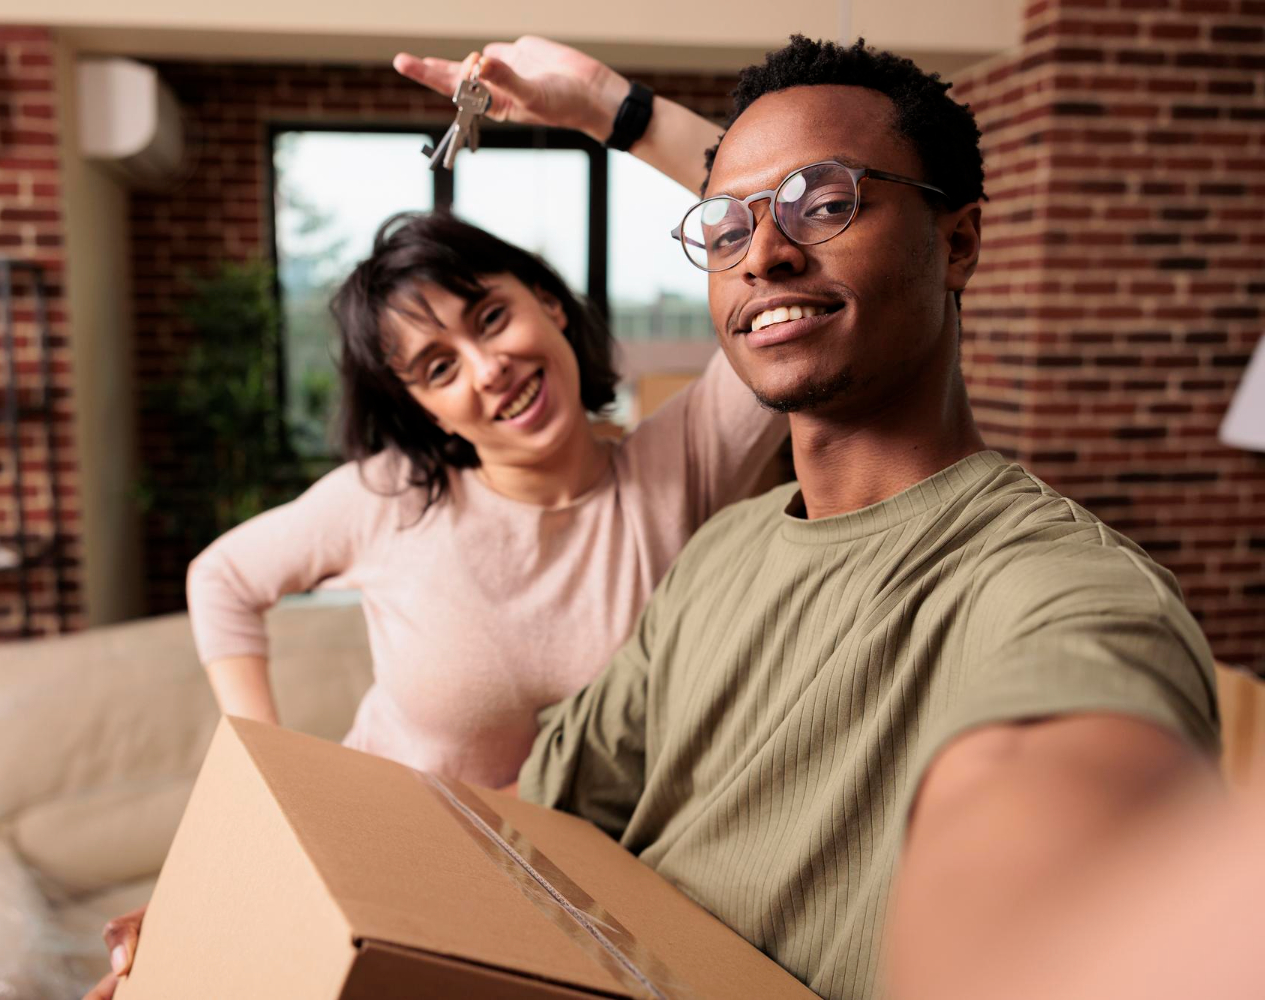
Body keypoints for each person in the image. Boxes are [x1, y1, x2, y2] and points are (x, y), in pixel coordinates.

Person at [498, 34, 1221, 1000]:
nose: (764, 254)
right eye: (727, 229)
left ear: (958, 244)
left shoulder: (1064, 589)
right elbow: (552, 797)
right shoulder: (723, 548)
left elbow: (1077, 782)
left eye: (826, 202)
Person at [84, 202, 788, 997]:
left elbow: (782, 248)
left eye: (491, 319)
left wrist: (634, 130)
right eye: (439, 368)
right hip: (374, 872)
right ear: (421, 404)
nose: (487, 370)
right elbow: (222, 579)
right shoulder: (392, 497)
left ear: (547, 302)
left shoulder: (682, 458)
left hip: (579, 910)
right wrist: (265, 791)